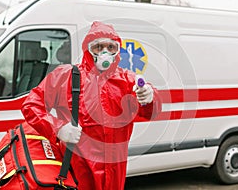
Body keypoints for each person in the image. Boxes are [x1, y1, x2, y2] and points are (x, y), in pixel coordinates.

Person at [21, 21, 162, 190]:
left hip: (115, 170)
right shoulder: (65, 76)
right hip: (77, 170)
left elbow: (149, 113)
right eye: (98, 47)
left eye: (111, 47)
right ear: (88, 49)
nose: (105, 52)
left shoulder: (127, 80)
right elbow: (31, 105)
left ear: (118, 50)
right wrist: (57, 128)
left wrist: (150, 97)